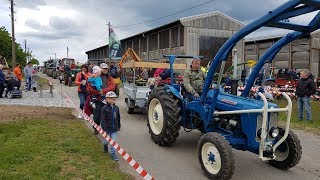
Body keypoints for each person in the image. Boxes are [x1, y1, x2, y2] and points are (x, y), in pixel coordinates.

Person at [87, 63, 115, 134]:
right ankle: (96, 128)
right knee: (97, 115)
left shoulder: (110, 77)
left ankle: (108, 128)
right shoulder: (95, 76)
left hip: (107, 99)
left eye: (106, 68)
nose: (105, 70)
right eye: (104, 68)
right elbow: (89, 87)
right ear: (100, 69)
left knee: (108, 114)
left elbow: (113, 86)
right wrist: (97, 92)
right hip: (98, 99)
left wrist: (103, 91)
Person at [100, 91, 120, 161]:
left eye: (114, 98)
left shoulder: (116, 108)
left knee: (113, 141)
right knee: (106, 141)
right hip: (107, 129)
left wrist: (118, 126)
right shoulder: (104, 109)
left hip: (114, 128)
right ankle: (105, 145)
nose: (113, 100)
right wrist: (104, 128)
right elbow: (102, 119)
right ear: (107, 99)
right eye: (111, 98)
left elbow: (118, 118)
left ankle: (113, 154)